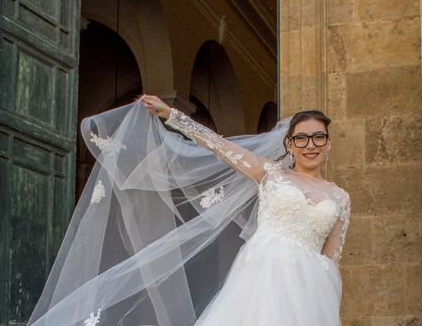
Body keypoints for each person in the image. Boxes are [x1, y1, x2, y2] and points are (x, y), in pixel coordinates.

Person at [28, 94, 351, 326]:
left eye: (318, 137)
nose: (311, 144)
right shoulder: (270, 174)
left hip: (311, 286)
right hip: (264, 272)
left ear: (329, 142)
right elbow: (221, 147)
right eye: (302, 138)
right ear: (290, 145)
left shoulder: (339, 197)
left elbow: (331, 258)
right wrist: (173, 116)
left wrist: (324, 298)